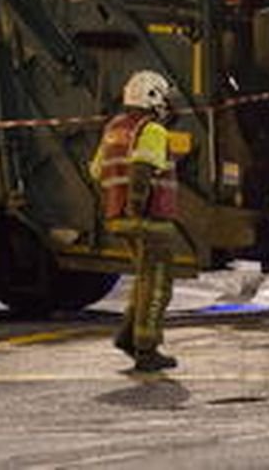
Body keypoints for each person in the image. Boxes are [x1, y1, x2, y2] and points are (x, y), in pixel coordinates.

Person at [90, 69, 182, 372]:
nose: (168, 104)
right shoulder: (151, 129)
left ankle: (128, 336)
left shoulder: (114, 128)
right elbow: (142, 169)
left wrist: (120, 205)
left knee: (143, 278)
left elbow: (96, 171)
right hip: (148, 220)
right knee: (157, 284)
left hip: (118, 217)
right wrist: (137, 206)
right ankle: (147, 349)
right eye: (164, 97)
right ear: (151, 97)